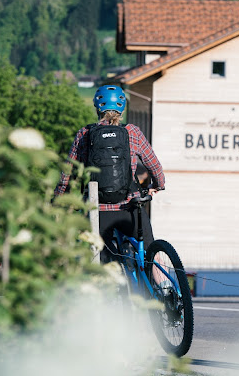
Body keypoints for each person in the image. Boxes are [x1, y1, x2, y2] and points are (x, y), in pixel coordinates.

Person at [54, 85, 165, 263]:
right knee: (151, 252)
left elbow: (67, 175)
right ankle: (163, 287)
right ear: (122, 108)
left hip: (97, 211)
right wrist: (157, 185)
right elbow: (155, 166)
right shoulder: (132, 132)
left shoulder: (85, 134)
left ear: (97, 107)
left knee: (98, 258)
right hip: (130, 208)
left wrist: (59, 200)